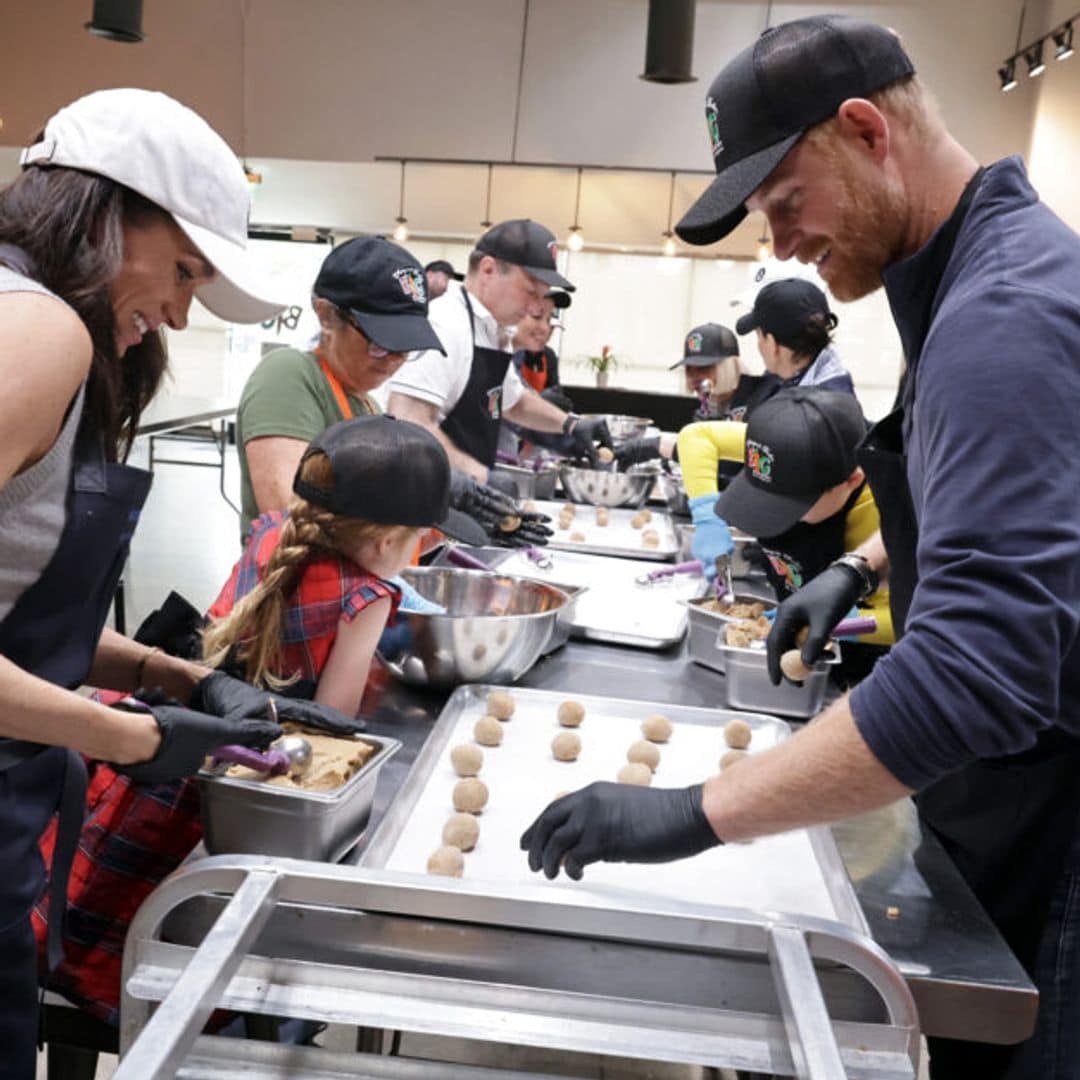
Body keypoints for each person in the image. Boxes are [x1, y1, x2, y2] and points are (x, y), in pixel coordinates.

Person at [521, 15, 1080, 1079]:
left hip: (1056, 829)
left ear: (868, 130)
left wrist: (695, 814)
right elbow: (1041, 527)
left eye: (785, 203)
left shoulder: (999, 314)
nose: (781, 249)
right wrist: (859, 567)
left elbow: (982, 672)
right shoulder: (977, 274)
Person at [0, 87, 338, 1077]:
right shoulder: (40, 331)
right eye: (183, 269)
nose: (182, 311)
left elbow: (17, 611)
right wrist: (133, 738)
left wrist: (170, 676)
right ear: (101, 212)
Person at [31, 415, 475, 1027]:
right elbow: (333, 723)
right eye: (420, 541)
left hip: (170, 740)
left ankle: (59, 964)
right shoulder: (367, 596)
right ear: (385, 543)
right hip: (239, 786)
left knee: (86, 895)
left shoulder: (272, 533)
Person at [237, 236, 550, 549]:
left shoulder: (369, 410)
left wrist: (461, 521)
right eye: (380, 343)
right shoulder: (289, 374)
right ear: (328, 315)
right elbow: (293, 515)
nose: (395, 360)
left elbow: (387, 548)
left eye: (406, 348)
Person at [679, 388, 893, 685]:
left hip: (860, 670)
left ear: (851, 481)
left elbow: (911, 615)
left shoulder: (888, 509)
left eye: (791, 505)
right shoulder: (787, 447)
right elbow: (697, 436)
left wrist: (837, 620)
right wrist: (706, 517)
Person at [387, 219, 612, 480]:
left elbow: (514, 403)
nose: (534, 308)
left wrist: (570, 424)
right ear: (488, 269)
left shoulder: (495, 331)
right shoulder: (445, 323)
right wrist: (482, 477)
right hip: (419, 496)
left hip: (460, 498)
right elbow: (407, 421)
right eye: (530, 292)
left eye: (542, 296)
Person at [736, 277, 854, 395]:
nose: (759, 345)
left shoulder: (804, 409)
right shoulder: (833, 386)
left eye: (759, 336)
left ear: (772, 345)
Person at [671, 322, 742, 420]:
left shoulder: (753, 408)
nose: (693, 377)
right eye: (688, 369)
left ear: (729, 368)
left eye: (703, 368)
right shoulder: (703, 411)